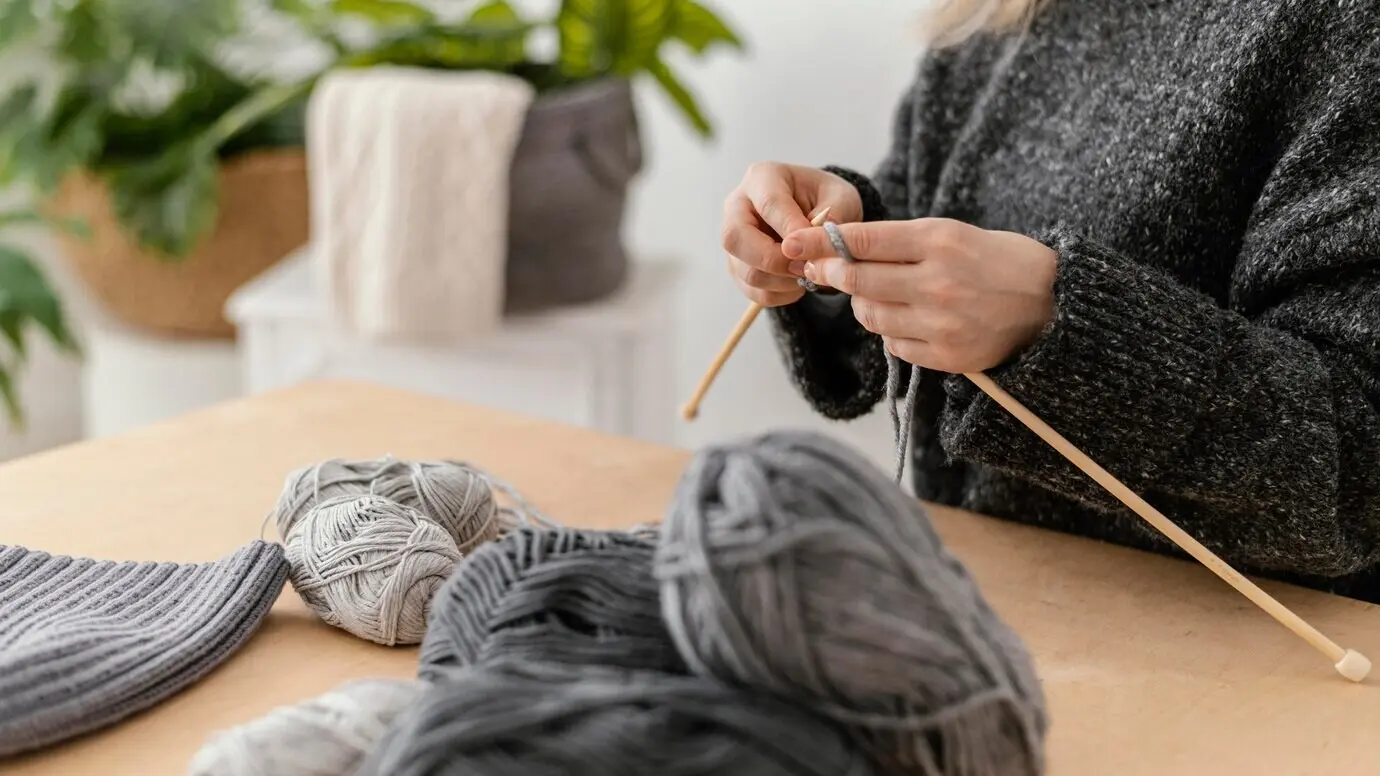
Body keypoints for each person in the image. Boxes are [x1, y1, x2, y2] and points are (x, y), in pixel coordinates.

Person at [720, 0, 1380, 601]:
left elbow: (1359, 469)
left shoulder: (1347, 29)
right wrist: (823, 260)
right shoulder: (996, 19)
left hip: (1252, 674)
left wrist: (1056, 327)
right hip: (992, 616)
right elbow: (919, 272)